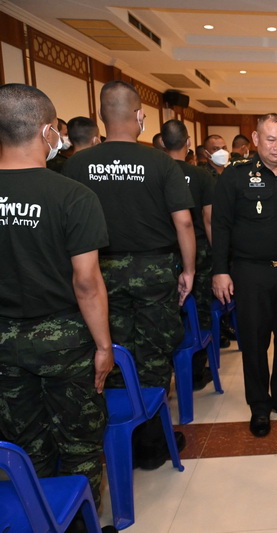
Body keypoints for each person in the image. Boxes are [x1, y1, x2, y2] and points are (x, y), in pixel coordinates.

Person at [63, 80, 195, 470]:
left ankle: (120, 437)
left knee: (112, 349)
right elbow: (184, 223)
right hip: (153, 269)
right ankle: (152, 444)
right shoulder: (161, 162)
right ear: (140, 116)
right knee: (154, 352)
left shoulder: (77, 165)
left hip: (99, 271)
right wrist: (189, 269)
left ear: (101, 116)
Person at [0, 83, 112, 514]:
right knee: (80, 441)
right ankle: (81, 520)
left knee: (24, 443)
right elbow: (86, 282)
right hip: (64, 339)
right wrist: (104, 345)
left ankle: (41, 518)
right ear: (48, 131)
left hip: (3, 343)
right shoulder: (72, 195)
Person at [212, 113, 277, 438]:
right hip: (251, 272)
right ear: (256, 140)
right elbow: (220, 225)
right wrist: (220, 270)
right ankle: (259, 405)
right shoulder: (235, 175)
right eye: (271, 139)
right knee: (255, 342)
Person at [162, 119, 216, 390]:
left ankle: (168, 368)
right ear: (189, 143)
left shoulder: (156, 170)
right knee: (201, 309)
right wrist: (218, 256)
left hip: (164, 252)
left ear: (162, 142)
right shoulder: (201, 175)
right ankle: (196, 371)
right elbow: (208, 219)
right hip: (198, 250)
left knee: (166, 310)